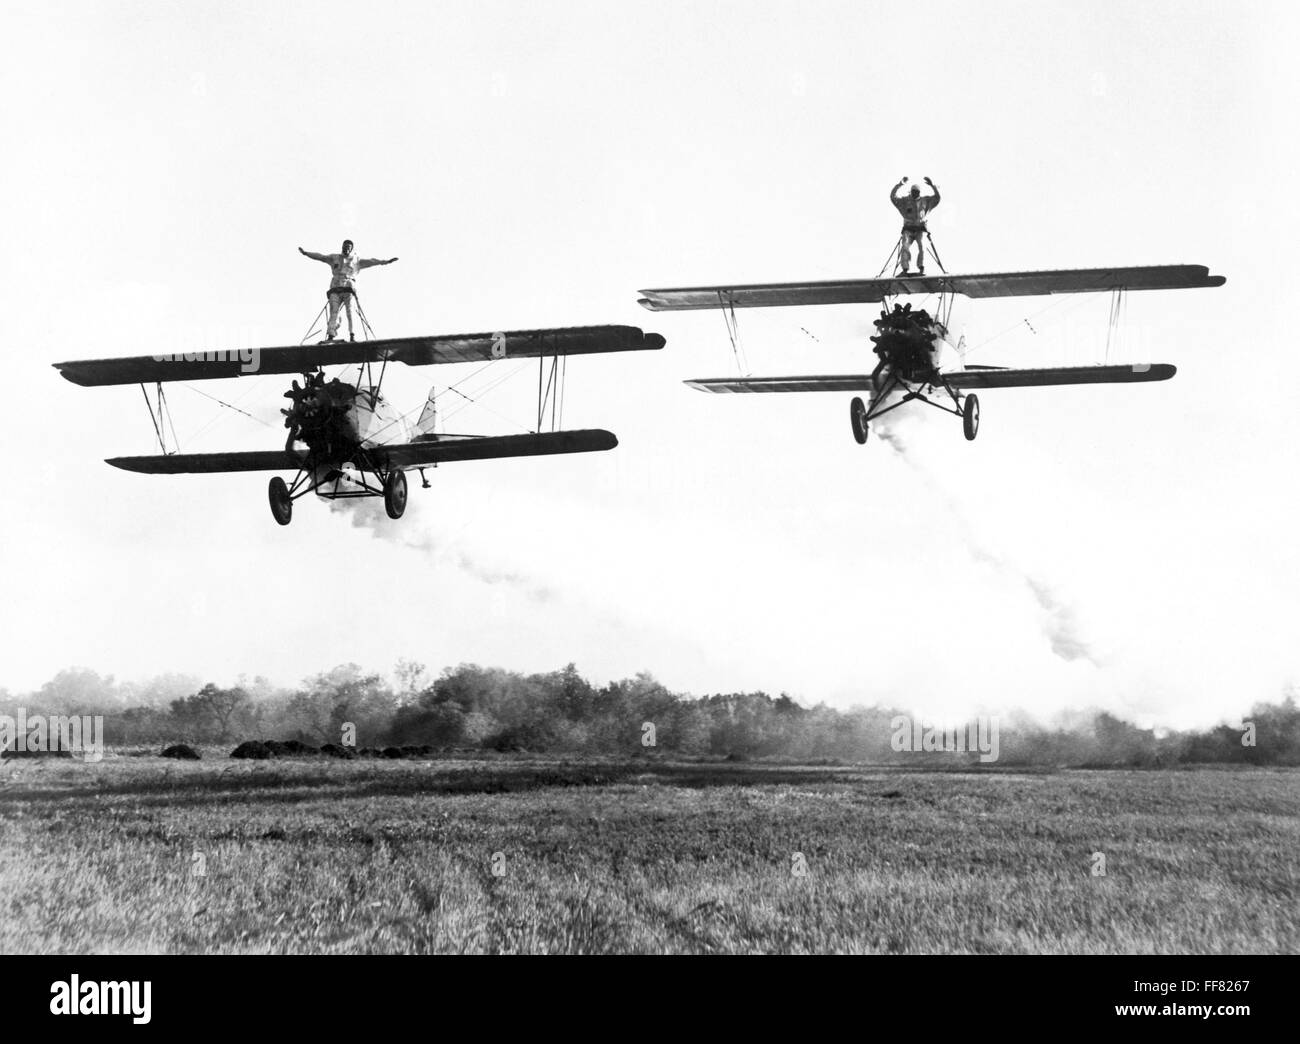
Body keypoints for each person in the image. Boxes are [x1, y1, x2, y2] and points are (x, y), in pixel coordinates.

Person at [298, 240, 398, 341]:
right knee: (334, 311)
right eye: (345, 246)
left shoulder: (357, 260)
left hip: (348, 288)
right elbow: (320, 256)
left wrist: (386, 261)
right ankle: (331, 334)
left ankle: (352, 334)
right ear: (342, 247)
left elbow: (373, 261)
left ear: (351, 249)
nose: (346, 248)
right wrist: (306, 253)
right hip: (335, 288)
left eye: (348, 247)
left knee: (350, 311)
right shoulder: (334, 258)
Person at [889, 177, 940, 275]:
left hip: (920, 229)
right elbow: (893, 197)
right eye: (913, 192)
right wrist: (900, 185)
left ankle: (921, 268)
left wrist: (933, 186)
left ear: (919, 193)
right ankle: (905, 269)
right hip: (908, 229)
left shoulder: (925, 201)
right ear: (910, 192)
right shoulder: (904, 201)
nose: (915, 194)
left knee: (922, 246)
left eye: (917, 192)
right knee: (905, 246)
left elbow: (937, 198)